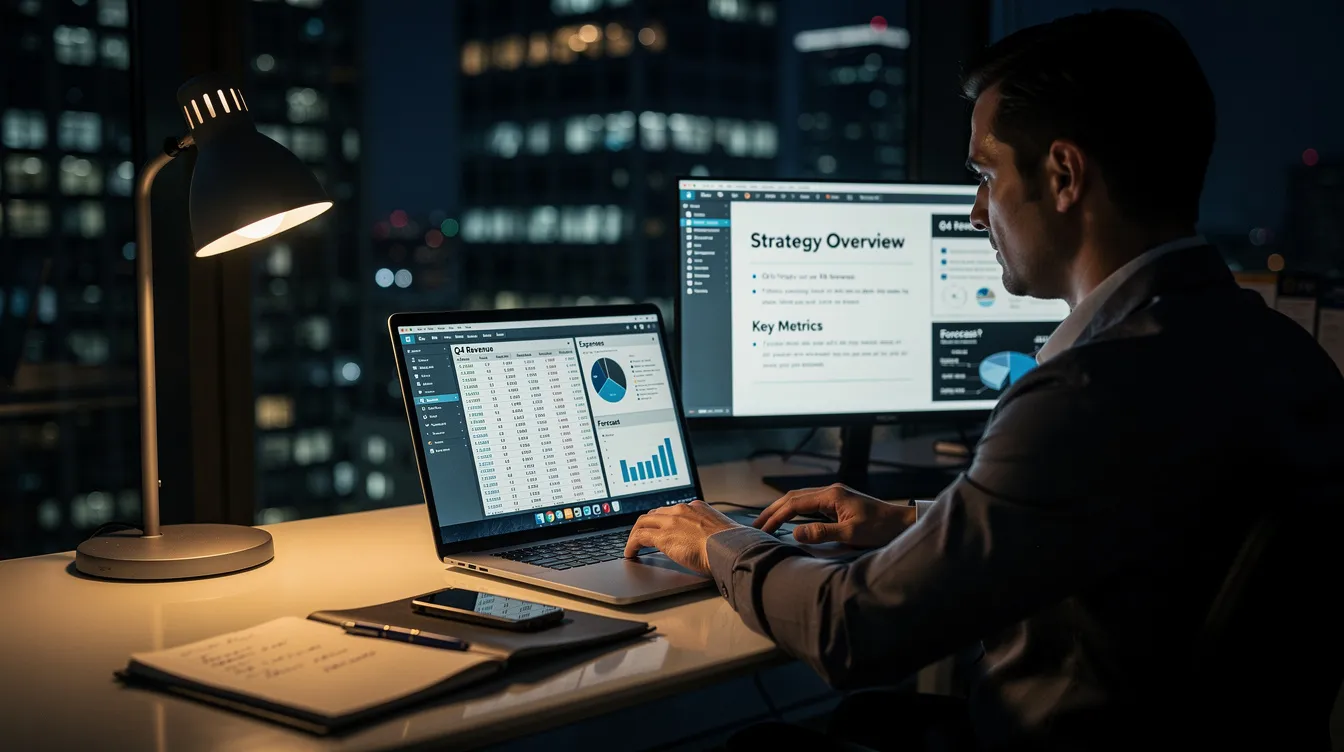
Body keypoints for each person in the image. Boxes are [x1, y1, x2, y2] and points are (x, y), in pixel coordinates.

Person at [624, 9, 1344, 751]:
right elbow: (1146, 524)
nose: (974, 212)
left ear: (1063, 176)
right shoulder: (1287, 355)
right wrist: (917, 524)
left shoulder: (1083, 395)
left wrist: (717, 541)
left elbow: (854, 631)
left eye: (985, 174)